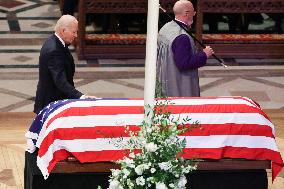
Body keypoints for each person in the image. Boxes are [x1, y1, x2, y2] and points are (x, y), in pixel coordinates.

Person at [34, 15, 94, 114]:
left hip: (56, 100)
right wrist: (81, 97)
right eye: (74, 32)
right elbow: (60, 81)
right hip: (51, 104)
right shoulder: (54, 50)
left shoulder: (57, 42)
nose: (76, 35)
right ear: (63, 31)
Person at [156, 0, 214, 97]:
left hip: (163, 77)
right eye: (193, 12)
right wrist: (204, 55)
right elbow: (184, 63)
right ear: (187, 13)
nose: (194, 15)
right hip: (177, 84)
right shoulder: (182, 37)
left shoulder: (166, 27)